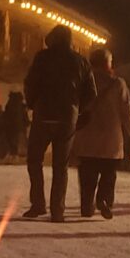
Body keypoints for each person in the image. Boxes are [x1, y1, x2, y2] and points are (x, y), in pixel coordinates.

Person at [23, 25, 96, 223]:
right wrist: (78, 109)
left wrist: (32, 103)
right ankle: (57, 210)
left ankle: (38, 203)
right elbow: (91, 93)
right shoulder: (81, 62)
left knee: (34, 160)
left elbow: (30, 83)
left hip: (43, 115)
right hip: (67, 118)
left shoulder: (42, 58)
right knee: (60, 166)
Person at [73, 47, 130, 220]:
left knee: (87, 174)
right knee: (108, 174)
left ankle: (86, 205)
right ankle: (104, 200)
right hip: (111, 139)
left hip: (86, 137)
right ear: (107, 63)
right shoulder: (118, 84)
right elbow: (127, 113)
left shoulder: (83, 82)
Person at [1, 90, 28, 158]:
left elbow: (6, 116)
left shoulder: (9, 105)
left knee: (11, 140)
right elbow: (25, 117)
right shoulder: (22, 106)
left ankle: (12, 153)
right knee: (19, 140)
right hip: (20, 127)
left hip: (10, 127)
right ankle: (20, 154)